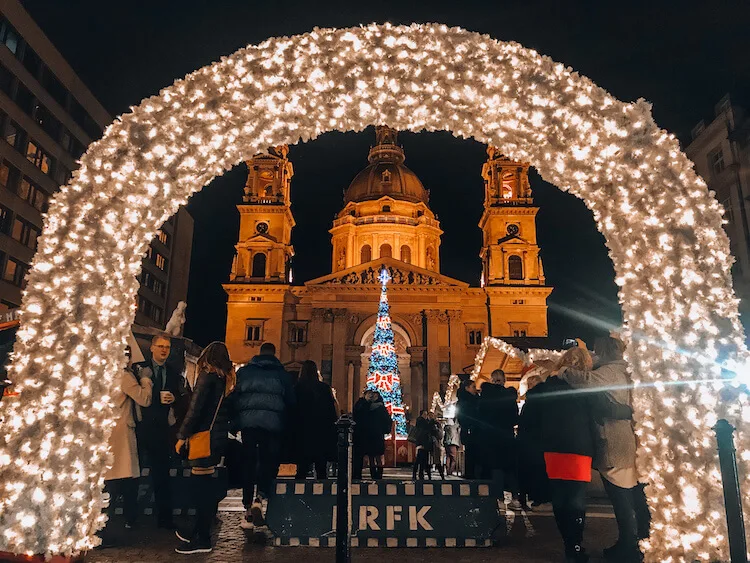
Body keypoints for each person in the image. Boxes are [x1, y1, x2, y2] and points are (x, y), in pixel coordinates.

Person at [558, 337, 647, 563]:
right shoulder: (629, 371)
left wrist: (562, 370)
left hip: (614, 442)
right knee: (631, 496)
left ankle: (629, 546)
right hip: (628, 441)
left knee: (622, 499)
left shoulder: (610, 372)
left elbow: (584, 379)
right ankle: (633, 542)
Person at [173, 341, 235, 554]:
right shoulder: (225, 380)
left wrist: (182, 436)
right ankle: (198, 532)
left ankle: (201, 537)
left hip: (203, 438)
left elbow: (195, 410)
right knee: (206, 486)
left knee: (200, 488)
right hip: (216, 439)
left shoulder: (207, 377)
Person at [540, 347, 597, 562]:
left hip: (553, 447)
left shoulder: (549, 386)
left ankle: (568, 544)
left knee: (560, 498)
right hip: (578, 448)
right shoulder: (585, 385)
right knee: (576, 500)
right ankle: (574, 546)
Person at [233, 342, 295, 533]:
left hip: (249, 424)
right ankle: (260, 497)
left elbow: (236, 397)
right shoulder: (282, 375)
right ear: (274, 353)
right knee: (268, 461)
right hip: (273, 424)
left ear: (259, 353)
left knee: (249, 462)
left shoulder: (244, 373)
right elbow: (291, 401)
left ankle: (247, 507)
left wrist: (236, 422)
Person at [133, 334, 188, 529]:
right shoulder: (140, 369)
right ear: (152, 348)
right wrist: (157, 397)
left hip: (162, 428)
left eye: (167, 347)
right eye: (161, 346)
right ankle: (131, 517)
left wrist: (174, 399)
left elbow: (182, 397)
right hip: (141, 426)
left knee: (162, 474)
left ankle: (164, 518)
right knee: (134, 472)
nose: (164, 350)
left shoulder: (173, 372)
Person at [103, 346, 152, 532]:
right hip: (122, 431)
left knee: (115, 479)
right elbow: (144, 399)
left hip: (112, 430)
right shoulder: (123, 376)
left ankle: (119, 519)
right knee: (124, 476)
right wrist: (146, 379)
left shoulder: (106, 374)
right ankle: (125, 520)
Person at [478, 369, 520, 505]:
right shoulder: (510, 396)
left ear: (491, 379)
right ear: (504, 380)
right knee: (510, 467)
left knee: (495, 467)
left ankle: (499, 498)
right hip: (506, 435)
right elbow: (515, 418)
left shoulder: (485, 395)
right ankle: (515, 498)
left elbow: (480, 416)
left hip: (490, 436)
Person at [293, 360, 337, 479]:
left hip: (302, 429)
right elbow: (331, 411)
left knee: (301, 465)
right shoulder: (323, 388)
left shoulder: (297, 388)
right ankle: (322, 491)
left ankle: (299, 491)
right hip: (320, 429)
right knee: (321, 464)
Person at [518, 372, 551, 508]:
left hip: (530, 442)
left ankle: (534, 497)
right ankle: (542, 497)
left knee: (531, 470)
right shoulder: (548, 400)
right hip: (544, 441)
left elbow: (524, 422)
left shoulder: (531, 402)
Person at [352, 389, 393, 480]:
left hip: (374, 434)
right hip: (373, 434)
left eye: (374, 396)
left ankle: (376, 474)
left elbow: (387, 421)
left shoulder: (377, 407)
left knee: (376, 456)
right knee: (373, 456)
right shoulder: (368, 406)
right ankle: (375, 474)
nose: (372, 397)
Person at [455, 379, 480, 478]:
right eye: (473, 387)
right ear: (467, 388)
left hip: (468, 430)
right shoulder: (470, 401)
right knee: (472, 451)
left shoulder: (463, 401)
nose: (475, 389)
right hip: (471, 430)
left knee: (469, 451)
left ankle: (470, 472)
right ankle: (472, 473)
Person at [411, 411, 434, 480]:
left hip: (422, 443)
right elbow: (427, 428)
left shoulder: (421, 421)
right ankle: (420, 474)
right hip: (422, 443)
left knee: (421, 460)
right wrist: (432, 421)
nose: (426, 415)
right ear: (421, 414)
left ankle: (419, 474)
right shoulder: (422, 421)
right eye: (425, 414)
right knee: (421, 460)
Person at [428, 412, 445, 479]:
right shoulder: (436, 424)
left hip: (431, 444)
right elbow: (440, 434)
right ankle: (441, 475)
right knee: (436, 460)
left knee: (430, 461)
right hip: (434, 444)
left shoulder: (429, 424)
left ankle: (431, 476)